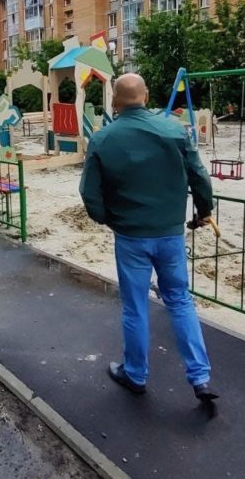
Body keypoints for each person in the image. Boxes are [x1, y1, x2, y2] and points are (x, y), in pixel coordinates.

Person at [79, 72, 219, 415]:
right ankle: (200, 377)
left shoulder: (103, 139)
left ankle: (136, 375)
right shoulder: (174, 129)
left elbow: (88, 193)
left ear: (114, 102)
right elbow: (199, 175)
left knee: (135, 306)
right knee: (180, 300)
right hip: (171, 234)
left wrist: (107, 218)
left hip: (130, 237)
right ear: (146, 95)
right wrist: (204, 211)